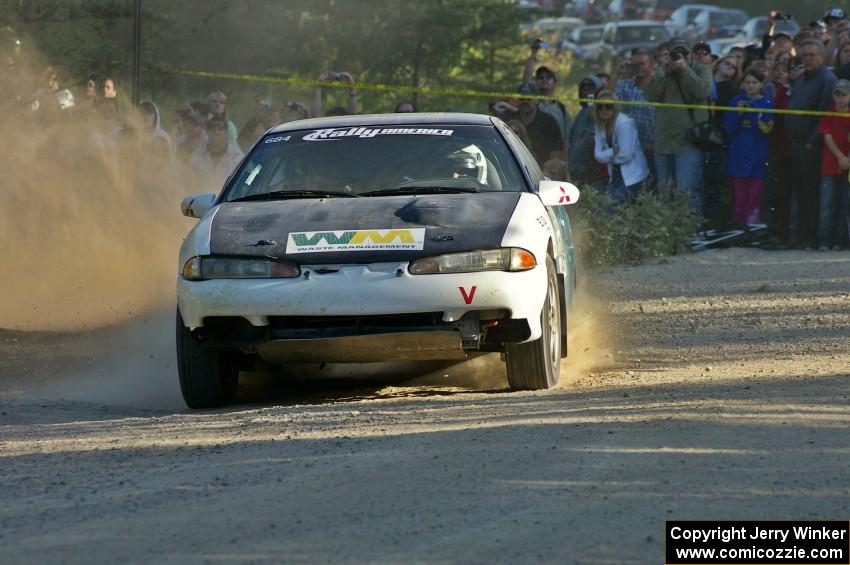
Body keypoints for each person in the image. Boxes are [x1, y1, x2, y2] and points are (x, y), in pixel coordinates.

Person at [644, 38, 713, 216]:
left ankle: (692, 233)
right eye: (674, 53)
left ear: (689, 54)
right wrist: (662, 70)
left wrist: (684, 70)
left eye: (683, 53)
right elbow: (651, 96)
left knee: (686, 191)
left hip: (688, 142)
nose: (678, 57)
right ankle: (669, 234)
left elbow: (702, 91)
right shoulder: (663, 74)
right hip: (664, 142)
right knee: (665, 193)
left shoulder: (700, 69)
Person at [785, 39, 838, 248]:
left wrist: (811, 142)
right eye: (804, 55)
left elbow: (825, 115)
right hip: (796, 144)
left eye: (811, 55)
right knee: (799, 191)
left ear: (822, 55)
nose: (807, 59)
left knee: (811, 192)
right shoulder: (802, 78)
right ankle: (800, 234)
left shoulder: (827, 79)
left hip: (812, 146)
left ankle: (811, 236)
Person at [723, 69, 774, 227]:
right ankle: (737, 224)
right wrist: (738, 114)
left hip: (758, 151)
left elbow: (768, 130)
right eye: (747, 82)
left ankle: (752, 225)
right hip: (738, 151)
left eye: (754, 82)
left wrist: (761, 122)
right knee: (738, 191)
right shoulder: (736, 101)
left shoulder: (767, 103)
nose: (750, 86)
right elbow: (728, 128)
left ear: (761, 84)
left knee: (755, 191)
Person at [591, 91, 648, 203]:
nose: (604, 109)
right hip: (615, 174)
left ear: (615, 107)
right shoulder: (599, 125)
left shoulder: (624, 124)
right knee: (606, 205)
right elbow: (597, 155)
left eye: (608, 106)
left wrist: (606, 157)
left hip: (633, 176)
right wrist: (613, 152)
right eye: (600, 106)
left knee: (611, 207)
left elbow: (625, 156)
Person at [815, 79, 850, 250]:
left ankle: (840, 240)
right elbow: (827, 137)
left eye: (844, 95)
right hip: (830, 165)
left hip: (847, 168)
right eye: (838, 95)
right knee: (826, 205)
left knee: (844, 205)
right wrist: (841, 157)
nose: (841, 98)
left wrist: (847, 158)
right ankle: (824, 240)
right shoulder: (829, 113)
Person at [614, 48, 656, 183]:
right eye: (635, 64)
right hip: (629, 148)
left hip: (652, 146)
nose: (638, 68)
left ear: (651, 65)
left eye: (642, 64)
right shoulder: (624, 85)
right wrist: (618, 73)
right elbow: (605, 98)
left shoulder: (658, 86)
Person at [764, 59, 794, 247]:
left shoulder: (794, 91)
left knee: (789, 194)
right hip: (779, 149)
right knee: (779, 194)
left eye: (786, 70)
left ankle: (788, 233)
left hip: (793, 149)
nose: (782, 74)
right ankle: (778, 233)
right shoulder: (780, 91)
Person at [568, 75, 606, 188]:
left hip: (597, 174)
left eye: (591, 88)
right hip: (577, 172)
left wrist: (594, 114)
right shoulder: (581, 114)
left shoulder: (606, 111)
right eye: (584, 89)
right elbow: (572, 140)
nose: (587, 92)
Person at [515, 83, 563, 170]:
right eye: (521, 98)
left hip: (543, 172)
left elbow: (556, 155)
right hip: (515, 170)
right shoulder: (510, 120)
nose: (525, 101)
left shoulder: (549, 122)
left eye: (529, 99)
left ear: (537, 100)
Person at [191, 117, 244, 186]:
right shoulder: (196, 155)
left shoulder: (237, 155)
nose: (216, 132)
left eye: (220, 129)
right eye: (212, 129)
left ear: (226, 132)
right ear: (207, 132)